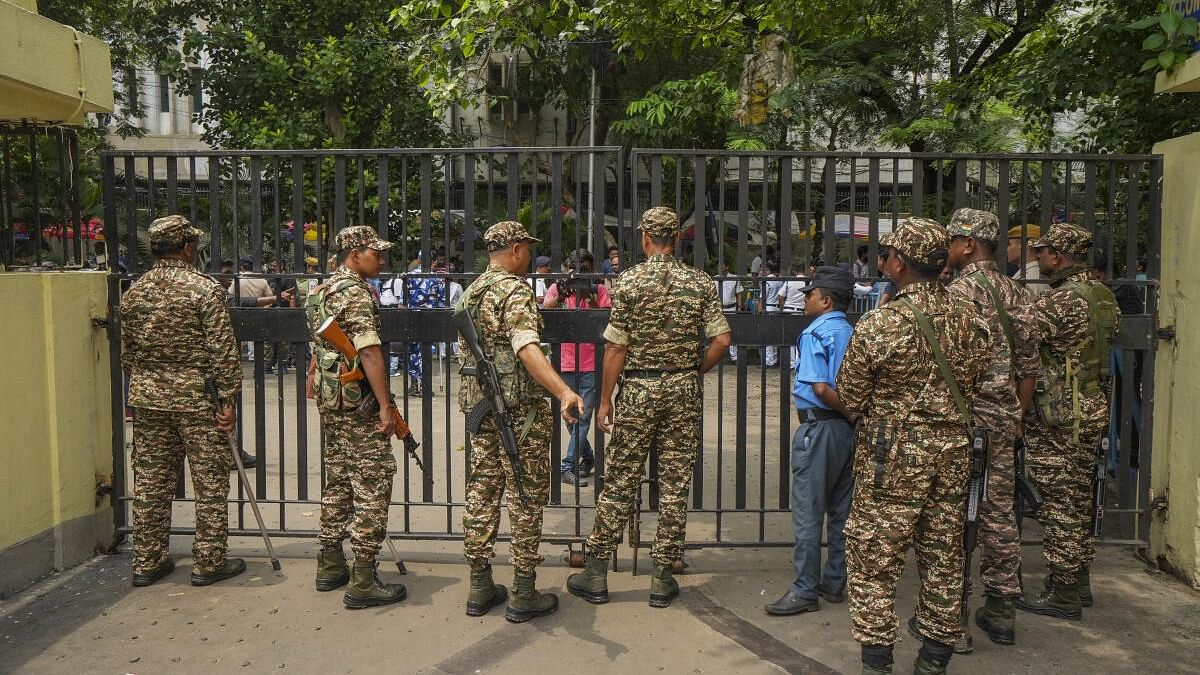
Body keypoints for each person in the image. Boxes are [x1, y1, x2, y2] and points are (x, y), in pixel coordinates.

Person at [836, 217, 991, 675]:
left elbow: (851, 394)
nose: (883, 262)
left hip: (893, 456)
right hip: (954, 452)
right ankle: (934, 660)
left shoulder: (881, 324)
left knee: (873, 556)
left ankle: (877, 662)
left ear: (899, 263)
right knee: (944, 552)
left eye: (885, 256)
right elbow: (977, 382)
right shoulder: (972, 321)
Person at [566, 207, 732, 609]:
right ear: (676, 238)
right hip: (682, 389)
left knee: (621, 479)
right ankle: (661, 577)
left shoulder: (630, 282)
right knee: (675, 485)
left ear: (644, 238)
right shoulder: (698, 282)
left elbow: (617, 347)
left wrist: (604, 401)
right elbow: (722, 340)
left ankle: (597, 571)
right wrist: (693, 370)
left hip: (639, 388)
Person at [455, 221, 585, 623]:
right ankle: (523, 592)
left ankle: (479, 586)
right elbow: (526, 347)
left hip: (483, 410)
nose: (529, 255)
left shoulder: (472, 291)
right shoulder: (513, 291)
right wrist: (563, 390)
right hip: (518, 412)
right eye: (527, 248)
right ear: (514, 249)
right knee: (525, 497)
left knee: (482, 491)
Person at [119, 215, 246, 588]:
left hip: (148, 398)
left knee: (151, 481)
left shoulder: (136, 291)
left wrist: (146, 383)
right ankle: (208, 561)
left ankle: (147, 560)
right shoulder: (203, 289)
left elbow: (128, 353)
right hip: (197, 400)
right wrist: (228, 400)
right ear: (188, 248)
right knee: (209, 482)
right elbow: (223, 351)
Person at [943, 208, 1039, 649]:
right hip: (1002, 422)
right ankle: (1001, 612)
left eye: (951, 240)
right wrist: (1015, 417)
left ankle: (952, 620)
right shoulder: (1017, 292)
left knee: (953, 517)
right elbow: (1029, 368)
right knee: (998, 515)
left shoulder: (954, 292)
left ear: (968, 244)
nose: (946, 248)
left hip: (961, 422)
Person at [1015, 223, 1119, 622]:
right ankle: (1080, 580)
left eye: (1041, 254)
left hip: (1059, 413)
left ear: (1057, 257)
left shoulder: (1060, 302)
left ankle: (1063, 592)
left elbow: (1019, 338)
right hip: (1091, 406)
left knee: (1058, 503)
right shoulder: (1104, 297)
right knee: (1079, 497)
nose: (1038, 260)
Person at [306, 226, 407, 609]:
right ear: (353, 253)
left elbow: (321, 344)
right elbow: (369, 352)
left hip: (333, 402)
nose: (381, 260)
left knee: (338, 481)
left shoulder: (322, 289)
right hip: (358, 403)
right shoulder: (356, 293)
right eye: (374, 253)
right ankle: (363, 578)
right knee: (373, 483)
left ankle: (330, 562)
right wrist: (385, 405)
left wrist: (314, 376)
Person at [764, 266, 856, 617]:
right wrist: (854, 417)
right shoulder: (851, 331)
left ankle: (804, 589)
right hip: (847, 432)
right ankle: (835, 581)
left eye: (810, 295)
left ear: (826, 300)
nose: (805, 300)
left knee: (808, 511)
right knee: (842, 511)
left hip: (820, 428)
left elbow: (820, 387)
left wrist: (847, 413)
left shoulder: (816, 332)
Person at [542, 248, 612, 486]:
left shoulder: (599, 290)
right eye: (575, 269)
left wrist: (591, 295)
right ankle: (588, 457)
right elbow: (543, 315)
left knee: (583, 417)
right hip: (565, 361)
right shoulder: (557, 289)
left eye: (585, 270)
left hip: (591, 363)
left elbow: (607, 321)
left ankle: (567, 465)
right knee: (570, 417)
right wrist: (562, 295)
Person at [1007, 224, 1049, 295]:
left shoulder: (1032, 278)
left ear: (1025, 245)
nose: (1006, 249)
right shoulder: (1031, 275)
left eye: (1009, 244)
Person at [762, 259, 784, 367]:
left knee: (768, 335)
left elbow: (763, 297)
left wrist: (759, 311)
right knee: (775, 334)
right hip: (777, 308)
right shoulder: (780, 280)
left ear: (767, 270)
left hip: (768, 308)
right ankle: (774, 358)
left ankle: (769, 361)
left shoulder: (767, 281)